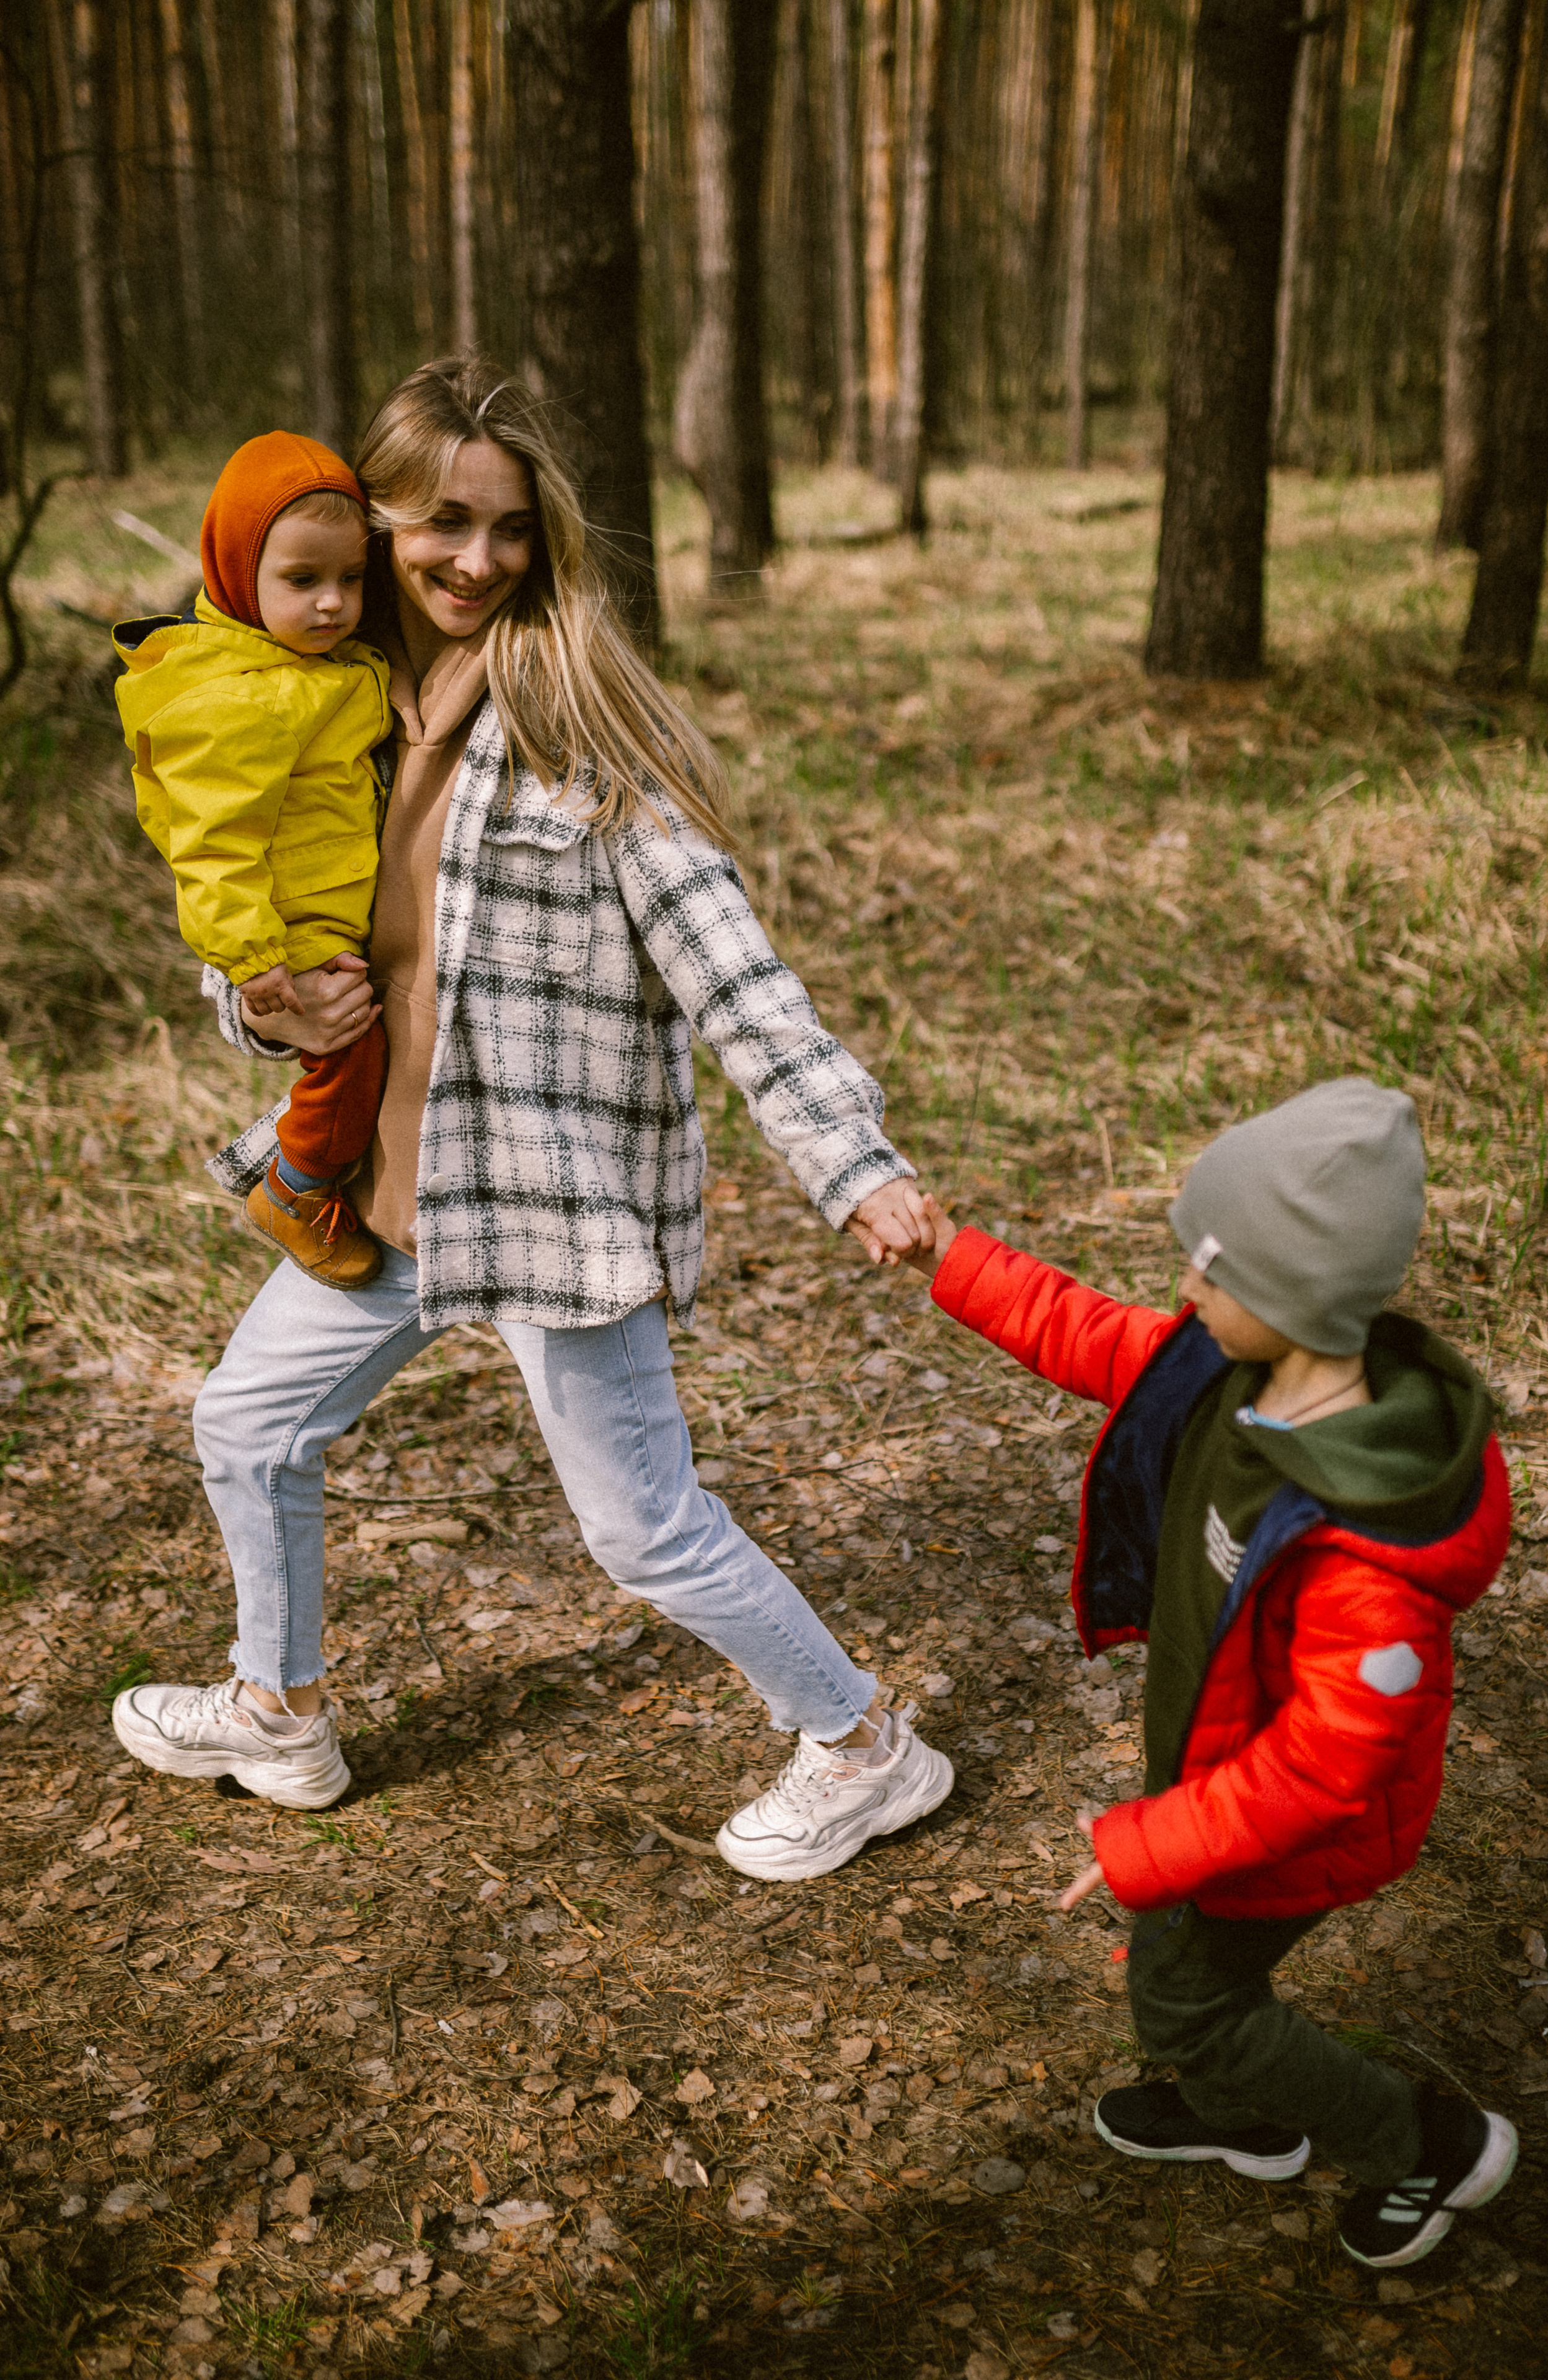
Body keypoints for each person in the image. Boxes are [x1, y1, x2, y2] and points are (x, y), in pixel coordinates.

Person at [111, 354, 954, 1882]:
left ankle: (861, 1743)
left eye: (507, 529)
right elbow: (268, 935)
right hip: (388, 1194)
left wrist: (851, 1164)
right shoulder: (330, 714)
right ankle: (278, 1711)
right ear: (373, 526)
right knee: (245, 1424)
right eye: (441, 523)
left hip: (551, 1210)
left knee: (644, 1531)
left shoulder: (583, 740)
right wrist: (262, 1009)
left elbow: (734, 975)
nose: (475, 559)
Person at [903, 1078, 1516, 2271]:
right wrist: (952, 1259)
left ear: (1286, 1295)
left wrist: (1155, 1844)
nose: (1185, 1287)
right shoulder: (1234, 1370)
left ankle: (1424, 2148)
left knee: (1185, 1999)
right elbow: (1092, 1335)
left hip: (1288, 1830)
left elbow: (1328, 1766)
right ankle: (1243, 2118)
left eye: (1209, 1268)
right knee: (1189, 1975)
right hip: (1217, 1770)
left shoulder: (1366, 1552)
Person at [115, 433, 392, 1290]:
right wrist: (252, 957)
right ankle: (294, 1189)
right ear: (239, 573)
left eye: (351, 579)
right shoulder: (234, 698)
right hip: (296, 926)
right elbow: (211, 844)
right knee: (353, 1056)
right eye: (302, 581)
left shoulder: (319, 667)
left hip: (337, 904)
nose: (332, 604)